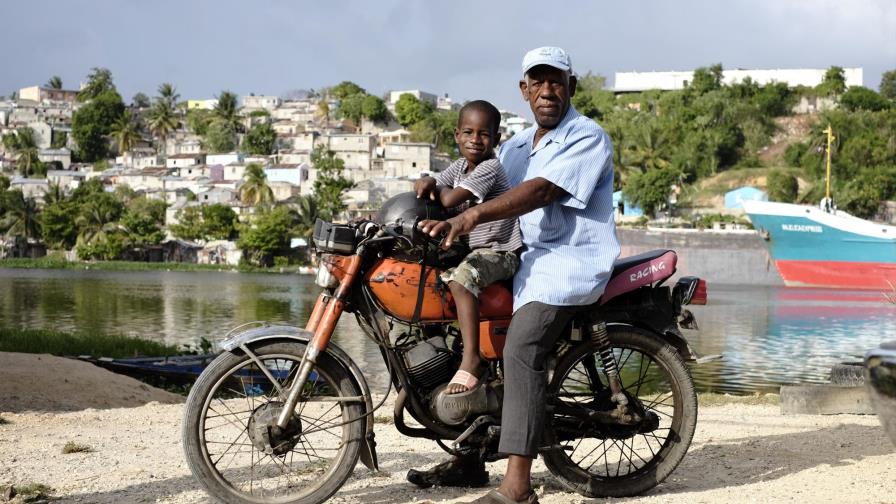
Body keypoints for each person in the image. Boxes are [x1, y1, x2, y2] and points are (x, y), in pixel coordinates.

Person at [411, 46, 620, 504]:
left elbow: (540, 191)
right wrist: (425, 200)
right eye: (538, 83)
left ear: (571, 87)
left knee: (522, 347)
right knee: (454, 319)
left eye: (557, 82)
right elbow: (468, 184)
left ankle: (517, 488)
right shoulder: (515, 146)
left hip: (567, 263)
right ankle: (469, 459)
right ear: (524, 90)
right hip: (521, 260)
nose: (548, 91)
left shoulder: (587, 137)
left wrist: (468, 218)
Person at [414, 99, 522, 395]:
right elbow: (434, 185)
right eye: (468, 132)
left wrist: (433, 186)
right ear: (456, 135)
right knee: (424, 281)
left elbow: (447, 199)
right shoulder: (460, 165)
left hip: (500, 252)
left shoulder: (490, 168)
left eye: (484, 134)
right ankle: (435, 358)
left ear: (496, 139)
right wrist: (426, 181)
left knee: (461, 280)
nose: (475, 140)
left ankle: (472, 358)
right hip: (473, 252)